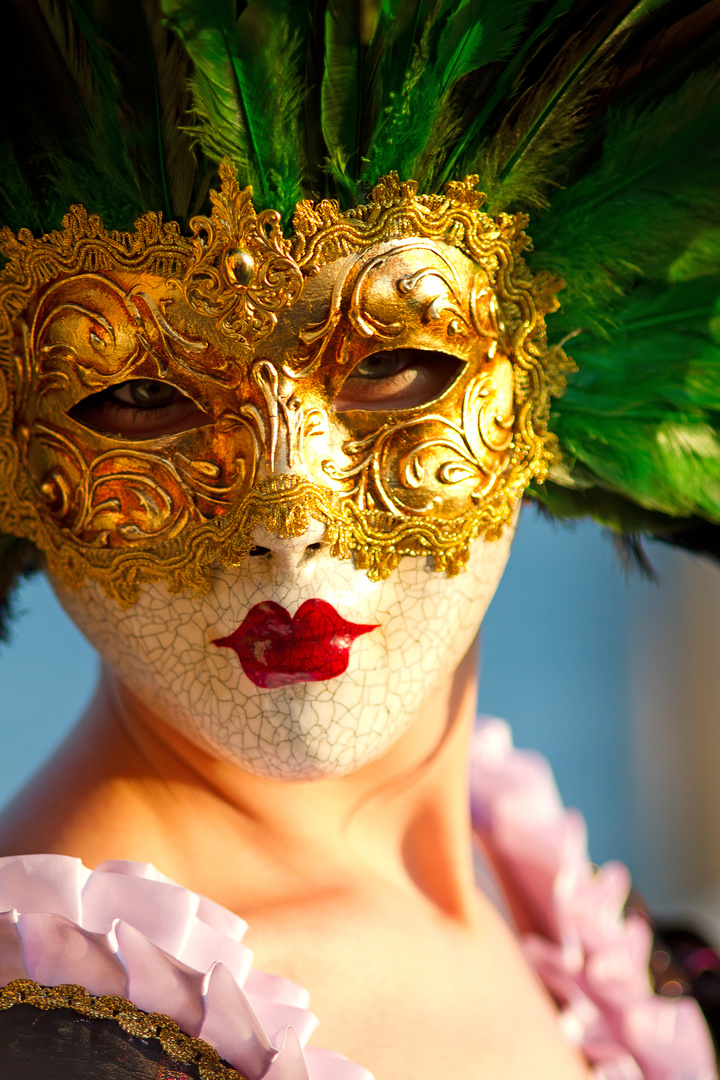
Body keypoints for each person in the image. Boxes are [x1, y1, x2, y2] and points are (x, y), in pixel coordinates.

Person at [0, 1, 718, 1077]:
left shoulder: (548, 907)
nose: (287, 526)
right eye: (142, 395)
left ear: (549, 378)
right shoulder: (58, 1041)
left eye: (392, 368)